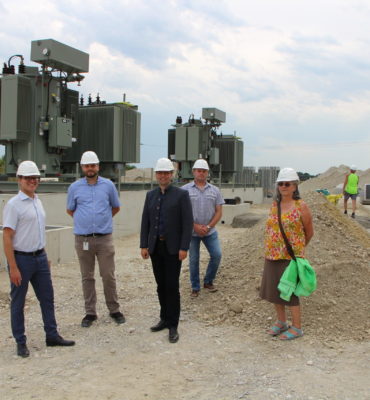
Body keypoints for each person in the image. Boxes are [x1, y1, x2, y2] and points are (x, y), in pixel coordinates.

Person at [3, 161, 75, 357]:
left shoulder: (37, 201)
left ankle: (51, 335)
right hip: (22, 260)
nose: (32, 181)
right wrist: (13, 267)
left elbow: (37, 230)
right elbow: (7, 236)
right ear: (19, 180)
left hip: (39, 258)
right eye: (28, 178)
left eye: (35, 178)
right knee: (18, 303)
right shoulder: (13, 205)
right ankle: (20, 341)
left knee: (47, 298)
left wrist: (45, 255)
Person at [66, 151, 125, 327]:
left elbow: (115, 207)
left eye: (93, 165)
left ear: (98, 166)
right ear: (82, 167)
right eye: (87, 165)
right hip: (82, 239)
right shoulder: (74, 188)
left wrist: (101, 221)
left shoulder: (108, 186)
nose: (90, 168)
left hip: (104, 239)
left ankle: (114, 309)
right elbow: (70, 210)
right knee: (87, 276)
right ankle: (90, 312)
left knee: (108, 275)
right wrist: (85, 223)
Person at [140, 158, 193, 343]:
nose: (163, 176)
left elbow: (187, 223)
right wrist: (144, 245)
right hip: (156, 247)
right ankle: (163, 318)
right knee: (160, 285)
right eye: (160, 173)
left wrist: (184, 247)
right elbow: (146, 221)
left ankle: (173, 324)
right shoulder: (151, 195)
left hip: (173, 249)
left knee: (172, 286)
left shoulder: (181, 195)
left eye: (166, 173)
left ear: (171, 175)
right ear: (156, 175)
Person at [260, 167, 314, 340]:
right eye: (280, 183)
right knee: (275, 291)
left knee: (290, 292)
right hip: (272, 255)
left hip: (289, 258)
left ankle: (297, 327)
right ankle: (281, 322)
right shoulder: (275, 205)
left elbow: (309, 232)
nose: (283, 186)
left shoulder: (301, 206)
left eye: (287, 184)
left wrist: (298, 251)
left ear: (294, 186)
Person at [182, 159, 225, 297]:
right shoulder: (184, 190)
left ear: (207, 173)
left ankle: (208, 281)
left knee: (217, 255)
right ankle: (195, 287)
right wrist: (194, 226)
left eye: (204, 171)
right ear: (194, 172)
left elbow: (218, 211)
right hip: (192, 232)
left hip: (209, 231)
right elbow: (182, 212)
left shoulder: (215, 190)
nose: (201, 173)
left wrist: (207, 226)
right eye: (198, 170)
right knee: (194, 259)